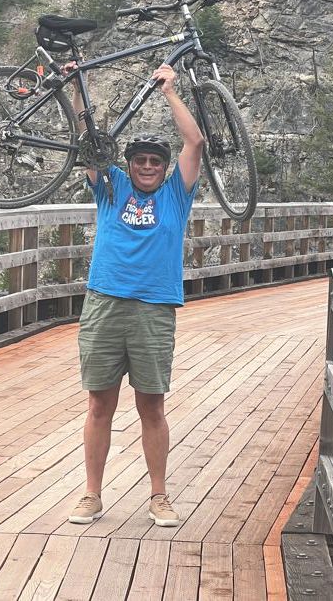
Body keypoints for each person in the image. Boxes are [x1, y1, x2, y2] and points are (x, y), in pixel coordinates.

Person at [68, 63, 204, 527]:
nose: (147, 167)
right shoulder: (111, 188)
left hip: (153, 308)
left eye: (155, 162)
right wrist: (75, 89)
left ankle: (159, 496)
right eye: (140, 160)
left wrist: (170, 91)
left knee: (152, 404)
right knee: (99, 403)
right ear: (129, 166)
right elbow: (88, 143)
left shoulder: (175, 196)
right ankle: (91, 495)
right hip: (104, 302)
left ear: (165, 169)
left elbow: (196, 143)